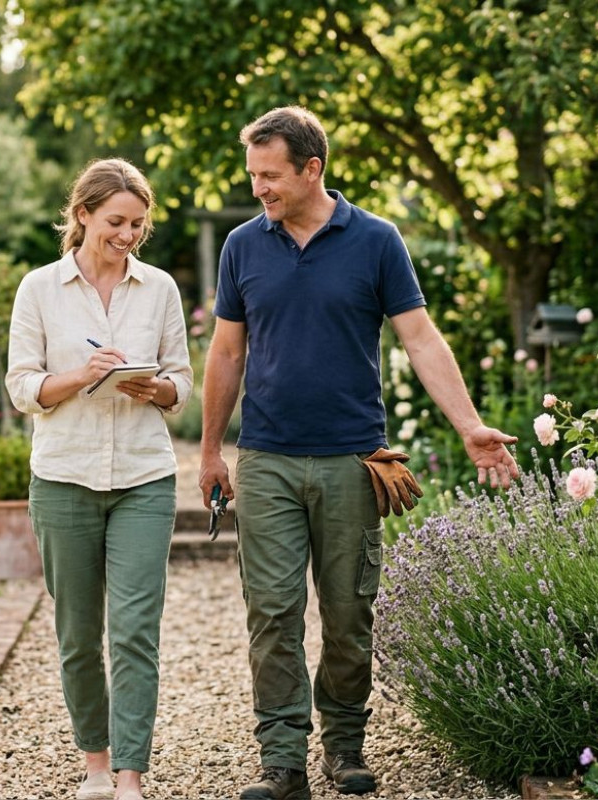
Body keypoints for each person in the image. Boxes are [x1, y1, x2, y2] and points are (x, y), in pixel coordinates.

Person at [197, 107, 520, 800]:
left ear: (313, 169)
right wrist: (210, 452)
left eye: (270, 176)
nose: (259, 189)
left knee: (348, 613)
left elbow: (421, 337)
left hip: (352, 461)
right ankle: (281, 760)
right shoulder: (243, 246)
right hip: (268, 457)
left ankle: (343, 748)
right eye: (252, 176)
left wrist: (468, 425)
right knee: (273, 612)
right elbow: (226, 351)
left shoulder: (376, 240)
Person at [6, 158, 193, 800]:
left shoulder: (160, 289)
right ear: (82, 214)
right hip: (63, 479)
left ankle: (132, 777)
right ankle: (95, 766)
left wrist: (157, 388)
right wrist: (84, 375)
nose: (128, 234)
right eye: (116, 221)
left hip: (145, 476)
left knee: (136, 630)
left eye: (138, 224)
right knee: (79, 635)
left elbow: (182, 383)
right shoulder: (39, 289)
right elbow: (23, 387)